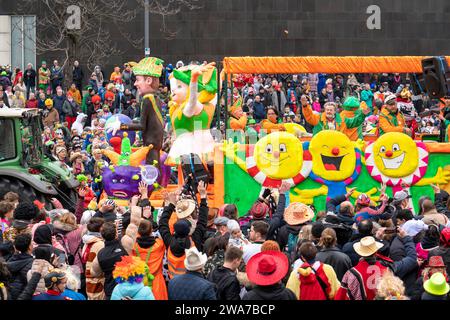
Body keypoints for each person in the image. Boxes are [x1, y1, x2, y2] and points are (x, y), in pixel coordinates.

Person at [159, 181, 208, 280]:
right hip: (192, 282)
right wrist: (203, 196)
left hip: (173, 282)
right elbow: (202, 221)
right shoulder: (194, 239)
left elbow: (162, 223)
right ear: (188, 229)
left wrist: (171, 204)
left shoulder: (169, 240)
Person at [90, 222, 127, 300]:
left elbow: (94, 273)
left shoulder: (101, 254)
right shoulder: (124, 245)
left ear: (102, 236)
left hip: (111, 290)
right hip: (126, 288)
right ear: (116, 234)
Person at [132, 219, 167, 300]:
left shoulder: (134, 247)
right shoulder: (159, 244)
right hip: (156, 282)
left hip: (140, 282)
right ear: (151, 230)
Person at [6, 233, 34, 300]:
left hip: (9, 294)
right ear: (30, 247)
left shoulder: (9, 261)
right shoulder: (32, 263)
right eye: (31, 242)